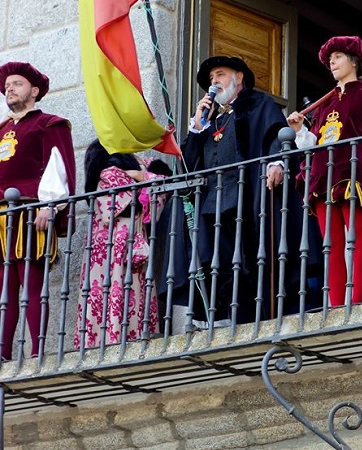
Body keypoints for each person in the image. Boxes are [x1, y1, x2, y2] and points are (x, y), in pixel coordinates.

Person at [181, 56, 299, 323]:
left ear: (239, 77)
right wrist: (198, 127)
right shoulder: (210, 119)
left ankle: (250, 316)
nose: (215, 83)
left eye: (220, 75)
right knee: (215, 261)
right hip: (213, 200)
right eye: (212, 80)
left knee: (247, 261)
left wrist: (277, 161)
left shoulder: (259, 104)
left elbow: (276, 135)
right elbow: (187, 164)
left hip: (246, 198)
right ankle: (222, 314)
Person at [287, 36, 362, 306]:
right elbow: (318, 143)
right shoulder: (325, 104)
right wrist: (301, 129)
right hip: (325, 177)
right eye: (330, 59)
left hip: (353, 175)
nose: (332, 62)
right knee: (331, 246)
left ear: (354, 62)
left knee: (357, 241)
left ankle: (356, 300)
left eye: (338, 57)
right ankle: (336, 304)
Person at [0, 62, 75, 361]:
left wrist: (50, 205)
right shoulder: (1, 129)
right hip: (1, 216)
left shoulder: (48, 123)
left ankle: (37, 352)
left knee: (30, 282)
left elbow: (59, 167)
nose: (9, 88)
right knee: (3, 287)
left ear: (34, 91)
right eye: (7, 85)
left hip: (31, 213)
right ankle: (3, 353)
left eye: (16, 83)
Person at [74, 140, 169, 349]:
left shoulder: (145, 162)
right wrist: (145, 179)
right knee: (108, 288)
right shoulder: (102, 154)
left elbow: (162, 185)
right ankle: (107, 342)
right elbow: (114, 195)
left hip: (132, 236)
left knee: (132, 289)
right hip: (108, 238)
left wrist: (144, 176)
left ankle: (131, 338)